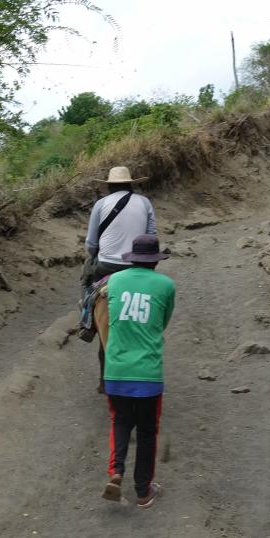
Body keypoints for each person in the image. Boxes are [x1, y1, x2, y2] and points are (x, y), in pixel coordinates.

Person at [99, 234, 175, 509]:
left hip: (116, 370)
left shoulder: (115, 280)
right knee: (146, 431)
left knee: (119, 421)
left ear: (132, 258)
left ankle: (115, 472)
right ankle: (143, 490)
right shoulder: (166, 285)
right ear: (156, 261)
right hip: (148, 373)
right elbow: (163, 321)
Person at [80, 166, 157, 389]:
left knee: (87, 282)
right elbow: (151, 236)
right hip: (138, 264)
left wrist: (94, 254)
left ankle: (86, 322)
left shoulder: (100, 204)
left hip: (107, 266)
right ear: (131, 184)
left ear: (109, 185)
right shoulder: (144, 203)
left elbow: (91, 243)